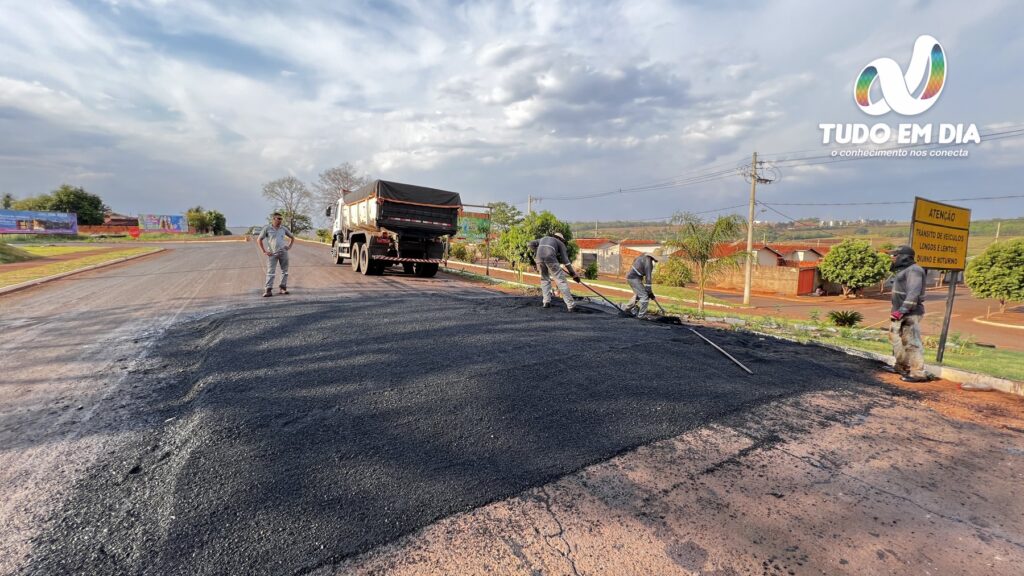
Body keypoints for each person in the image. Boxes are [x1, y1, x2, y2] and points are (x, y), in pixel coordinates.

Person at [888, 245, 929, 382]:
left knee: (911, 342)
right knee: (896, 339)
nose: (893, 258)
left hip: (909, 313)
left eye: (896, 255)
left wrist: (903, 310)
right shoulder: (905, 270)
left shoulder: (915, 270)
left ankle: (918, 372)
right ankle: (901, 366)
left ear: (905, 257)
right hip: (898, 312)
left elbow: (913, 293)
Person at [528, 232, 580, 312]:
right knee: (561, 281)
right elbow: (565, 260)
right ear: (560, 239)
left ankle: (546, 302)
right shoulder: (560, 243)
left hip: (539, 259)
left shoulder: (543, 238)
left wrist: (538, 252)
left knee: (544, 279)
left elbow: (530, 244)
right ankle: (571, 306)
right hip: (550, 258)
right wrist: (573, 274)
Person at [257, 212, 295, 297]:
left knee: (284, 272)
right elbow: (259, 240)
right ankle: (268, 290)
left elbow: (292, 237)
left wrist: (289, 246)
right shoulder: (267, 228)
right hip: (272, 254)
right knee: (270, 272)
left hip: (283, 253)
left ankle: (283, 288)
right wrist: (264, 251)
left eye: (281, 219)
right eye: (278, 219)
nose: (280, 220)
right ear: (273, 219)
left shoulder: (283, 229)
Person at [623, 254, 658, 319]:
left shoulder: (643, 257)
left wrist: (650, 292)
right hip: (634, 278)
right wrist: (649, 291)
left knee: (639, 295)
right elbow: (648, 277)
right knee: (644, 296)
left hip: (632, 277)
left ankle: (626, 309)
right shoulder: (648, 262)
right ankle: (641, 316)